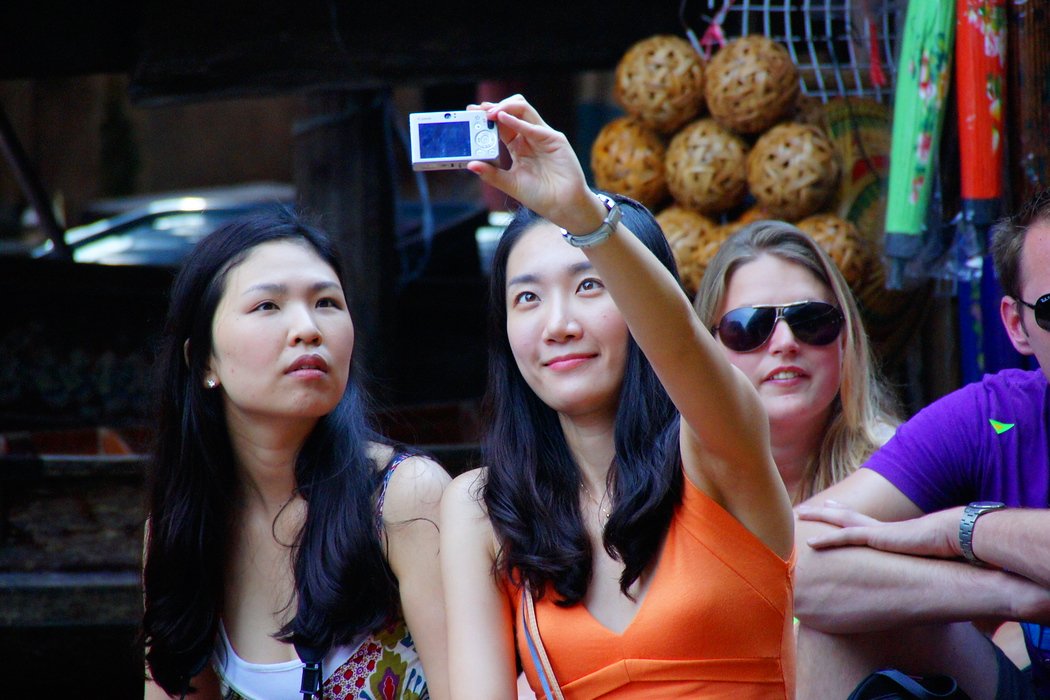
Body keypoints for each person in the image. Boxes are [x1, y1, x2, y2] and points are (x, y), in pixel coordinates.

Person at [440, 94, 795, 699]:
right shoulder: (482, 507)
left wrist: (583, 217)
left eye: (589, 286)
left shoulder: (715, 449)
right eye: (527, 298)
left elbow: (681, 345)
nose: (558, 324)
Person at [141, 211, 450, 699]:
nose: (308, 328)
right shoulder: (182, 528)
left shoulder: (403, 498)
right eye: (267, 306)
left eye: (327, 302)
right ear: (203, 361)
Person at [793, 189, 1050, 699]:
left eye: (809, 323)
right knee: (846, 621)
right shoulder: (994, 417)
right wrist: (1004, 595)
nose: (782, 343)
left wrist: (963, 529)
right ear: (1017, 324)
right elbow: (796, 563)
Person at [693, 221, 898, 504]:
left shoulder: (904, 470)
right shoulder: (664, 485)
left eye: (810, 319)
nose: (785, 342)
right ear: (707, 346)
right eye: (750, 326)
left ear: (845, 337)